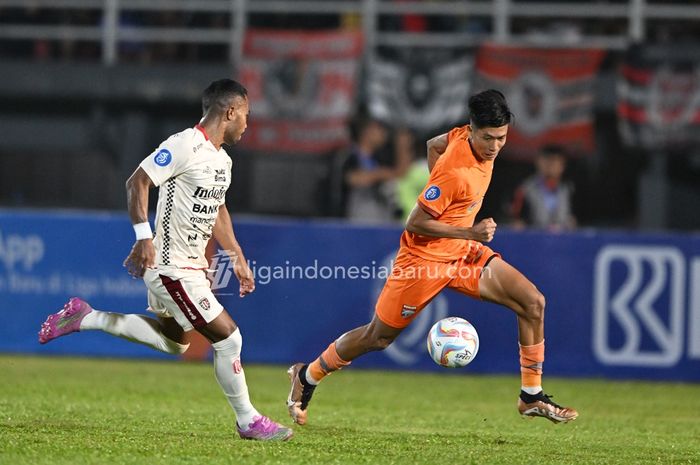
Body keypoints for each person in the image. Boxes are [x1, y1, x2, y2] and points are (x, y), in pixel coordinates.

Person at [286, 89, 578, 426]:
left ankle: (531, 395)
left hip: (461, 253)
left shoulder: (461, 138)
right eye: (488, 138)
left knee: (532, 303)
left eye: (502, 138)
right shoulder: (455, 172)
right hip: (423, 260)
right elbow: (416, 221)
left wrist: (459, 226)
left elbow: (432, 145)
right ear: (472, 130)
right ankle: (307, 375)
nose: (495, 146)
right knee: (377, 337)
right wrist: (468, 229)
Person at [38, 79, 293, 441]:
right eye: (246, 116)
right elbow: (137, 182)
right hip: (171, 268)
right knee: (229, 339)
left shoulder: (222, 160)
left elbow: (217, 208)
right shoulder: (184, 144)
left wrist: (236, 255)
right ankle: (247, 420)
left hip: (191, 269)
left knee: (175, 343)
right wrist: (144, 238)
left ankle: (87, 316)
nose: (247, 124)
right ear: (230, 111)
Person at [342, 116, 412, 223]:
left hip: (380, 219)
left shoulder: (380, 158)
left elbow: (400, 174)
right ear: (367, 131)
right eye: (379, 129)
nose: (384, 134)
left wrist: (402, 146)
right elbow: (353, 179)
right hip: (357, 221)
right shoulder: (350, 156)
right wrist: (381, 174)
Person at [510, 145, 576, 231]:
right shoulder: (525, 189)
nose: (550, 165)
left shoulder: (570, 189)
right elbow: (516, 218)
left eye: (554, 161)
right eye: (546, 160)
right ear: (537, 162)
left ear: (562, 165)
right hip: (534, 238)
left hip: (564, 237)